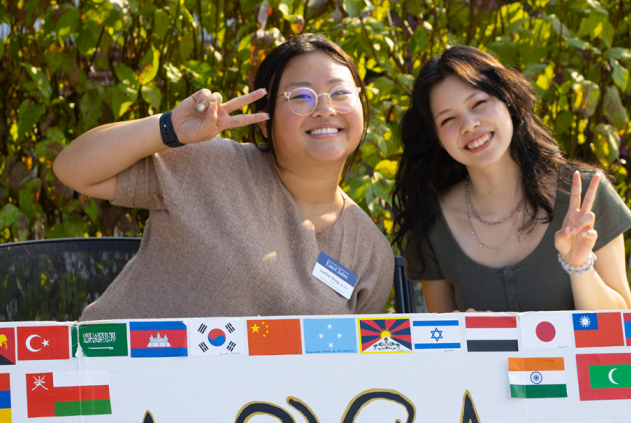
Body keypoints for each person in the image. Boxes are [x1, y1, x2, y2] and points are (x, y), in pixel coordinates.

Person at [54, 34, 394, 320]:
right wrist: (169, 128)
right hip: (115, 385)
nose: (325, 108)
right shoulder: (210, 165)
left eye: (340, 93)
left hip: (261, 402)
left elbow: (348, 367)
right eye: (300, 96)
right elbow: (72, 169)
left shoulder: (370, 253)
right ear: (264, 121)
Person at [391, 46, 631, 313]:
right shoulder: (430, 223)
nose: (469, 124)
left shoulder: (586, 193)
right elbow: (443, 341)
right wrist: (461, 330)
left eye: (479, 103)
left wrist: (579, 266)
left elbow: (620, 327)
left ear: (508, 101)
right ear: (437, 139)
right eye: (448, 119)